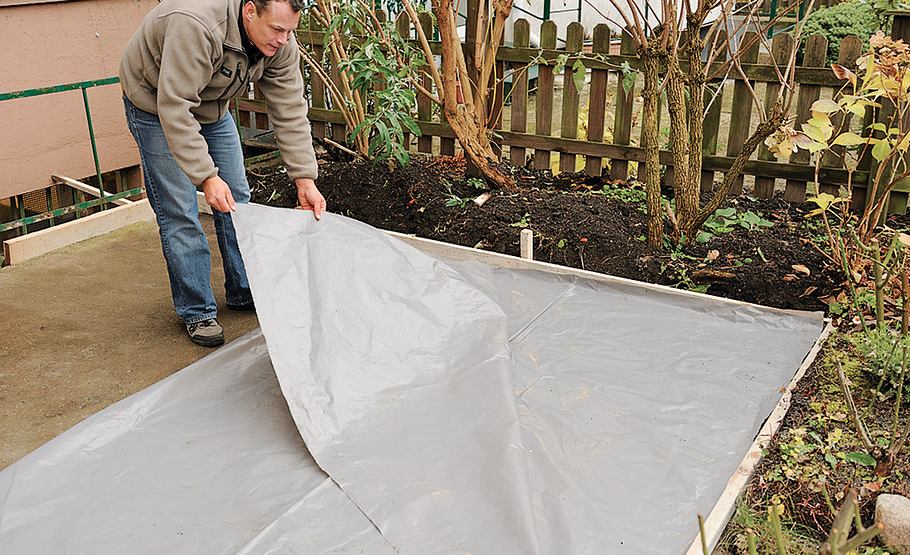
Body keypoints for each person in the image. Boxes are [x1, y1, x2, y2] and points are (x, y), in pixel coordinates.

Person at [120, 0, 326, 347]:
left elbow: (290, 110)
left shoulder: (280, 44)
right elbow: (176, 106)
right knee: (180, 211)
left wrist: (305, 178)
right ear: (249, 10)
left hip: (212, 105)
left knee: (236, 201)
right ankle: (197, 309)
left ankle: (244, 289)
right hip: (157, 102)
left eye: (290, 30)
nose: (283, 39)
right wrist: (205, 176)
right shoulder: (196, 24)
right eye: (277, 29)